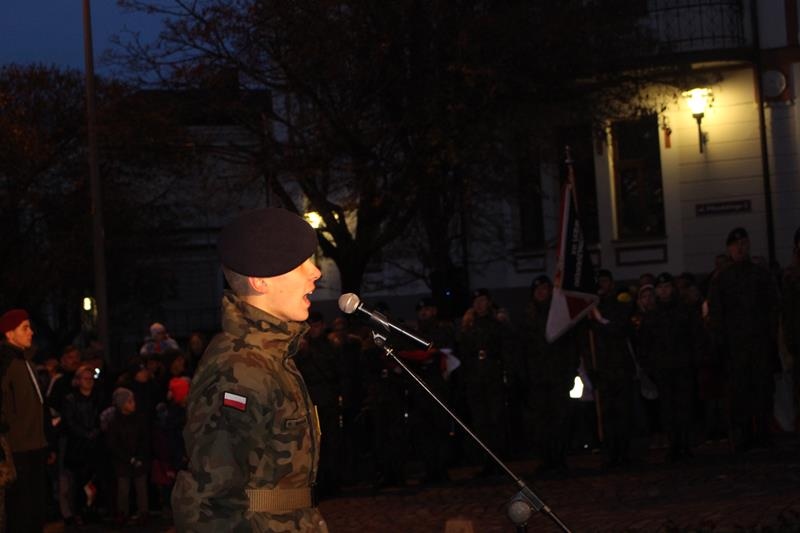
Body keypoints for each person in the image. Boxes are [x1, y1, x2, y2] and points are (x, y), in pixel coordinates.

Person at [171, 207, 327, 532]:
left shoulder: (270, 356)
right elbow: (211, 501)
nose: (315, 273)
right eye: (300, 264)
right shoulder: (239, 368)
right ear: (261, 281)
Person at [707, 227, 780, 452]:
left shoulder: (761, 274)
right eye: (736, 245)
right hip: (735, 346)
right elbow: (716, 314)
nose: (740, 248)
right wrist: (721, 344)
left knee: (763, 391)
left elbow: (772, 307)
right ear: (729, 249)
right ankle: (744, 435)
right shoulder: (721, 278)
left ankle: (764, 433)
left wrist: (770, 338)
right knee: (740, 393)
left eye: (744, 244)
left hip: (759, 344)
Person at [0, 309, 49, 533]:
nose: (31, 332)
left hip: (35, 444)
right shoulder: (6, 363)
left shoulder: (26, 361)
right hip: (17, 447)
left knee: (36, 506)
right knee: (21, 508)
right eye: (25, 328)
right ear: (10, 334)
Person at [106, 387, 149, 527]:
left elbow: (144, 439)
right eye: (129, 401)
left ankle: (143, 513)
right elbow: (113, 445)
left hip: (138, 460)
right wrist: (128, 458)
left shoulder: (139, 419)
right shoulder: (114, 422)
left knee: (141, 488)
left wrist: (139, 457)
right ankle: (122, 514)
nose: (133, 404)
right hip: (122, 462)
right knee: (123, 490)